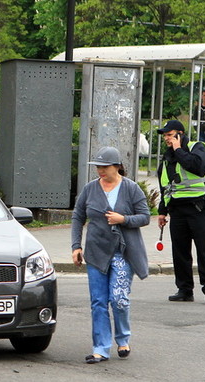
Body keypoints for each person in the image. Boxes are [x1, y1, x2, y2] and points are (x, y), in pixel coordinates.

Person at [71, 146, 151, 364]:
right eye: (98, 167)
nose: (100, 171)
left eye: (104, 167)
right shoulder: (89, 189)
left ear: (117, 166)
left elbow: (145, 217)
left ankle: (123, 338)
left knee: (118, 299)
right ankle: (101, 348)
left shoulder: (131, 188)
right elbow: (78, 217)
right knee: (98, 302)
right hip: (96, 252)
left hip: (123, 254)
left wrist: (123, 219)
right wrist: (76, 246)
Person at [156, 119, 205, 306]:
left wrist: (178, 149)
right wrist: (162, 211)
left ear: (180, 134)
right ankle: (184, 290)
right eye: (165, 136)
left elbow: (196, 167)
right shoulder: (168, 157)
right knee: (180, 252)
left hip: (198, 207)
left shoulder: (198, 147)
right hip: (177, 210)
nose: (166, 138)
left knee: (204, 250)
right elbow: (165, 186)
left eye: (169, 134)